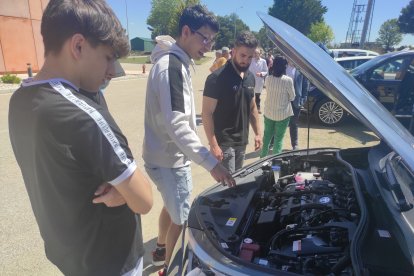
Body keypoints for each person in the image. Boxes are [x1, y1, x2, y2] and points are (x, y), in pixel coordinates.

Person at [8, 1, 153, 275]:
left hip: (70, 254)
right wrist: (125, 193)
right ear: (78, 46)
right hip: (111, 258)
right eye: (108, 57)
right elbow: (144, 200)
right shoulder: (82, 115)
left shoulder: (20, 99)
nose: (112, 71)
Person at [142, 5, 235, 276]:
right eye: (204, 38)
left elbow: (175, 118)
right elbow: (178, 125)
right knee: (181, 219)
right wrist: (211, 163)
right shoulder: (172, 66)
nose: (208, 46)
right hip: (171, 160)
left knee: (172, 207)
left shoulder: (172, 61)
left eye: (212, 41)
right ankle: (169, 269)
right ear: (185, 31)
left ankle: (160, 248)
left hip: (160, 155)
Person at [202, 31, 263, 173]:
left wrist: (258, 133)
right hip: (224, 143)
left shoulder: (250, 78)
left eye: (250, 57)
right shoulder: (216, 78)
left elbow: (252, 107)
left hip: (242, 141)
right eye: (242, 55)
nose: (246, 61)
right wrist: (213, 145)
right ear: (233, 51)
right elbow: (207, 113)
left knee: (238, 182)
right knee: (227, 186)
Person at [261, 55, 295, 157]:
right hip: (283, 114)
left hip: (269, 112)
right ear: (284, 66)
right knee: (278, 139)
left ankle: (262, 159)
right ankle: (276, 161)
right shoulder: (288, 80)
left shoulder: (268, 79)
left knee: (266, 137)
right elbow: (292, 97)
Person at [289, 68, 309, 150]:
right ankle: (273, 142)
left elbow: (305, 84)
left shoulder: (301, 70)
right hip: (283, 100)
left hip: (296, 101)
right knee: (279, 122)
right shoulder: (283, 66)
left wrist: (303, 99)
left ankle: (295, 144)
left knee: (294, 123)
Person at [249, 48, 268, 114]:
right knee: (250, 94)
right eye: (255, 53)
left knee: (257, 95)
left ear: (260, 54)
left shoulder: (263, 61)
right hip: (250, 80)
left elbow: (266, 71)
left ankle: (258, 108)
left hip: (259, 80)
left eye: (257, 53)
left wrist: (261, 74)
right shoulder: (250, 60)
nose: (256, 54)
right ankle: (249, 108)